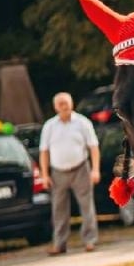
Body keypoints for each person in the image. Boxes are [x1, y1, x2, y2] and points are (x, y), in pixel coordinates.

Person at [39, 91, 101, 254]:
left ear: (71, 104)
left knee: (87, 206)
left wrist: (95, 170)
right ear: (55, 107)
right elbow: (44, 151)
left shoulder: (82, 123)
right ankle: (59, 244)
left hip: (81, 168)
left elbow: (93, 147)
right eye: (60, 104)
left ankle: (90, 241)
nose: (63, 106)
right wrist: (44, 175)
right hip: (58, 172)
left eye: (66, 103)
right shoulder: (49, 126)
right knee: (59, 209)